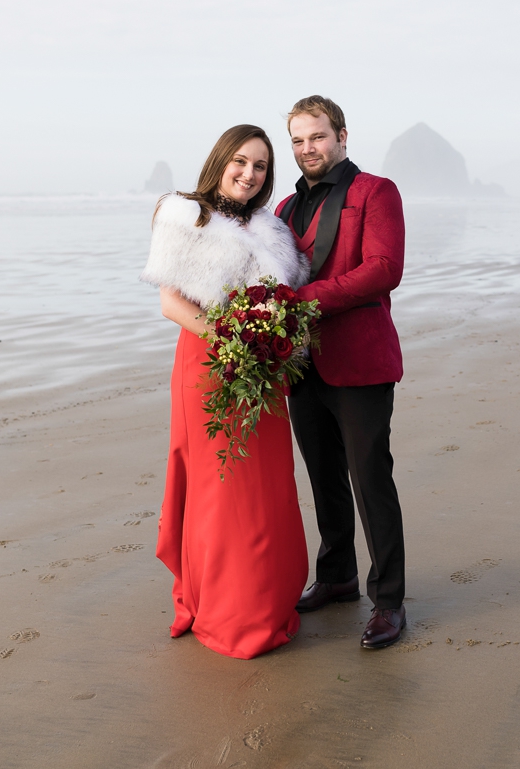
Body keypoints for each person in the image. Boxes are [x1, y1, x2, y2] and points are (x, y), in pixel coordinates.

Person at [140, 124, 310, 660]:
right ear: (220, 161)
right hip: (208, 364)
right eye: (240, 161)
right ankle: (225, 609)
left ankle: (266, 599)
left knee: (266, 485)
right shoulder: (184, 215)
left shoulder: (272, 229)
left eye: (260, 166)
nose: (249, 174)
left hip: (264, 371)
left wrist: (267, 342)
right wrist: (236, 339)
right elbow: (172, 304)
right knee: (221, 485)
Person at [277, 96, 409, 649]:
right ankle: (336, 576)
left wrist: (303, 300)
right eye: (299, 141)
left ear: (342, 136)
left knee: (369, 479)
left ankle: (389, 602)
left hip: (360, 361)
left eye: (318, 137)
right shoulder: (283, 209)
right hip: (302, 366)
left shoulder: (375, 192)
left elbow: (383, 270)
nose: (309, 148)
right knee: (323, 477)